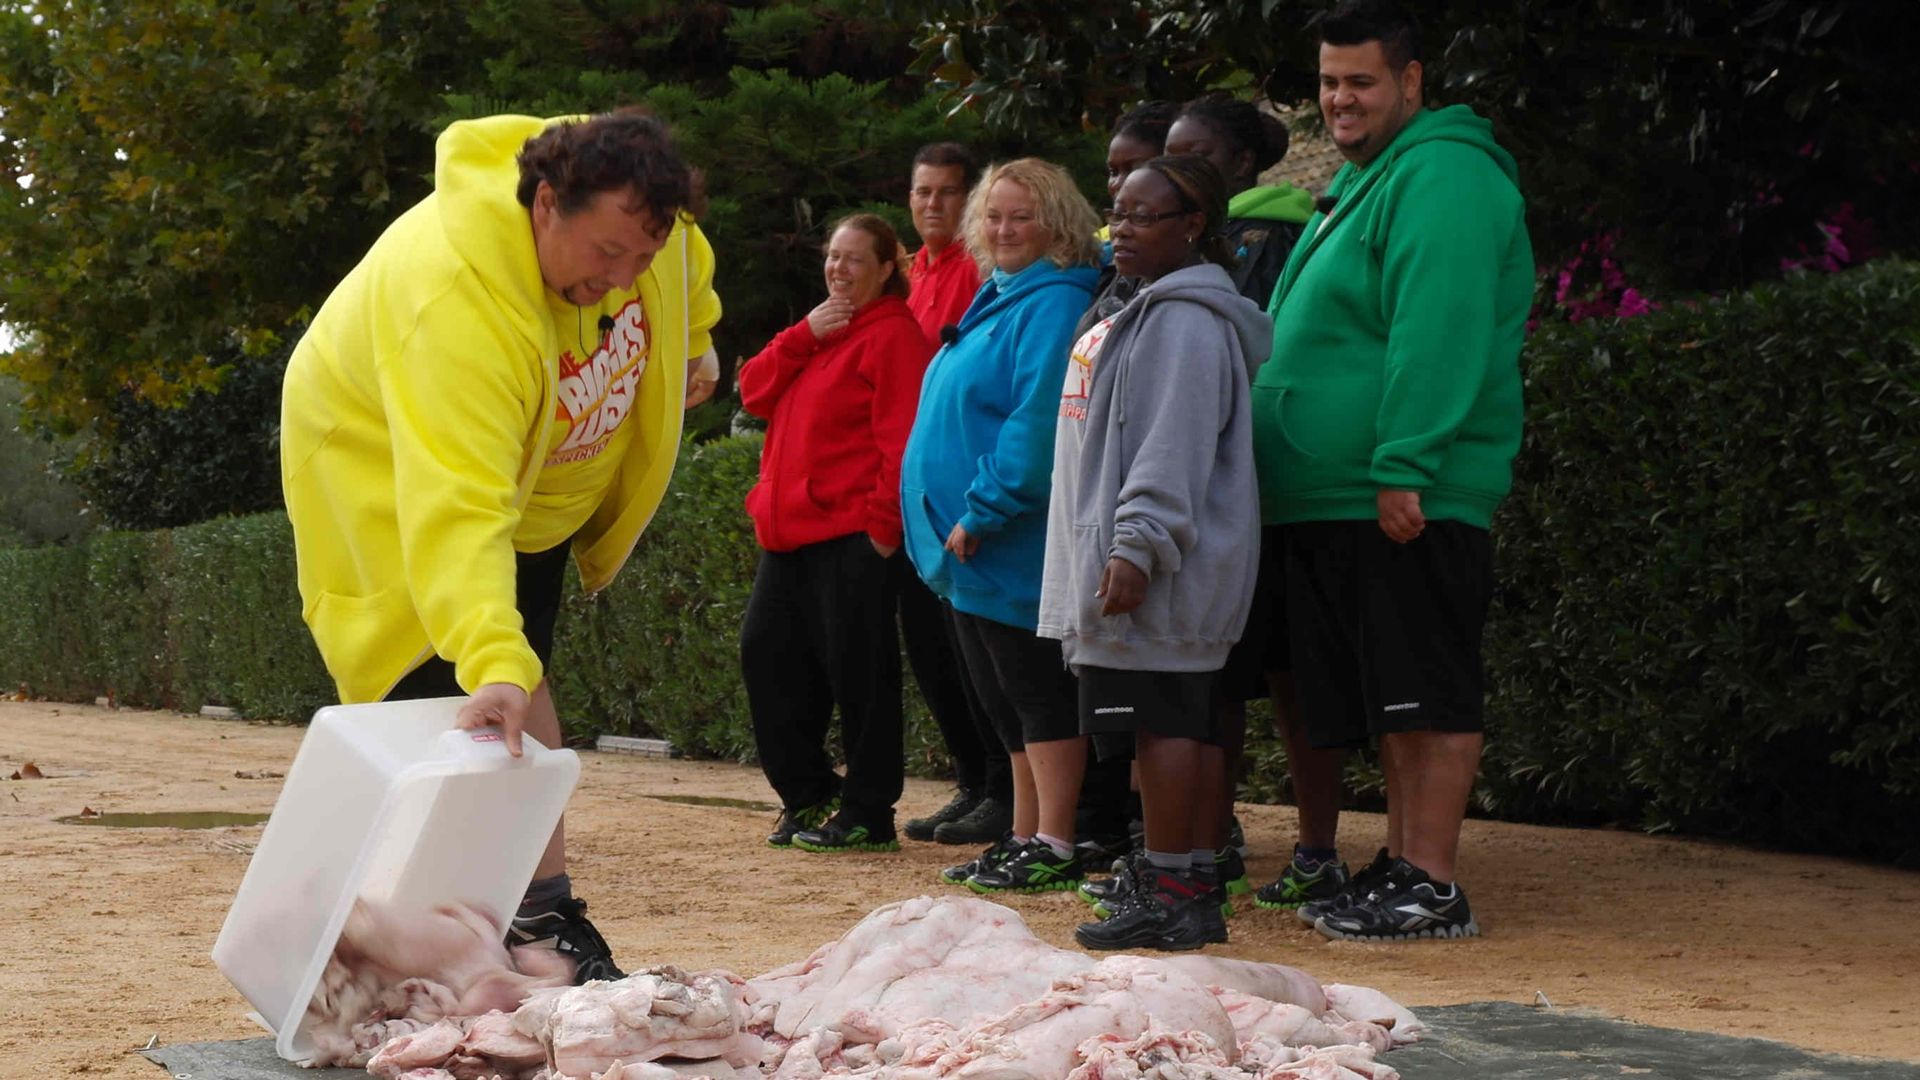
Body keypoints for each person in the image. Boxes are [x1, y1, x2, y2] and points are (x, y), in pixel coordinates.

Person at [281, 109, 723, 984]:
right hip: (380, 461)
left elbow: (687, 267)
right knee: (459, 692)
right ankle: (496, 927)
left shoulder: (645, 231)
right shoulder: (455, 302)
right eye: (605, 256)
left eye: (639, 259)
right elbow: (457, 506)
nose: (623, 279)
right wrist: (489, 655)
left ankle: (521, 918)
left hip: (534, 482)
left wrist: (698, 338)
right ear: (545, 204)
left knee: (520, 675)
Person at [1253, 0, 1532, 941]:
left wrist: (1406, 460)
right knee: (1393, 702)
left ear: (1411, 82)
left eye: (1361, 81)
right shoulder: (1367, 181)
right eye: (1329, 83)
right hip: (1341, 495)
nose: (1341, 99)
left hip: (1408, 488)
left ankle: (1432, 882)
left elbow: (1437, 325)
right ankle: (1405, 864)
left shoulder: (1444, 173)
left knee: (1426, 687)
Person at [1039, 155, 1271, 951]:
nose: (1120, 231)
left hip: (1159, 566)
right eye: (1118, 213)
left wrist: (1135, 546)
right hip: (1147, 558)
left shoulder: (1181, 321)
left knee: (1165, 721)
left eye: (1143, 217)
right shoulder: (1154, 309)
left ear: (1193, 226)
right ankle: (1186, 880)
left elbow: (1170, 446)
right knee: (1173, 722)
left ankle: (1171, 888)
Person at [899, 158, 1101, 894]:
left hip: (1006, 536)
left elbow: (1038, 420)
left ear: (1057, 221)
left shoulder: (1052, 302)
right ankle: (1023, 832)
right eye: (994, 216)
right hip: (966, 546)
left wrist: (985, 508)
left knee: (1035, 693)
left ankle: (1053, 836)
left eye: (1022, 215)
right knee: (1002, 701)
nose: (1005, 229)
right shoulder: (1003, 294)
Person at [737, 214, 930, 854]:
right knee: (767, 656)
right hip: (789, 534)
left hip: (851, 534)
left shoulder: (894, 338)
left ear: (885, 268)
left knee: (860, 676)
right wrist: (801, 333)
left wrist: (881, 530)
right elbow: (754, 392)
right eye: (833, 256)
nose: (839, 269)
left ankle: (870, 811)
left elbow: (901, 442)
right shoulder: (822, 329)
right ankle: (809, 793)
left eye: (854, 259)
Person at [897, 143, 1015, 846]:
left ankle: (1000, 787)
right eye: (922, 192)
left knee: (979, 653)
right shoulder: (917, 271)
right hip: (923, 488)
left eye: (947, 192)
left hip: (964, 487)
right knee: (940, 655)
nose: (933, 204)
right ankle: (974, 781)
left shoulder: (978, 270)